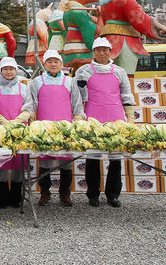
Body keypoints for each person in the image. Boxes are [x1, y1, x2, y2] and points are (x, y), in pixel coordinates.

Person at [74, 37, 135, 208]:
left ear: (110, 51)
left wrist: (130, 118)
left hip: (116, 118)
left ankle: (113, 194)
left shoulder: (119, 72)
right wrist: (79, 116)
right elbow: (76, 95)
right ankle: (93, 194)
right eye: (98, 50)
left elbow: (127, 95)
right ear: (93, 52)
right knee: (93, 158)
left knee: (115, 158)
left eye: (105, 50)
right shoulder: (84, 71)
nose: (102, 53)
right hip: (93, 118)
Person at [21, 49, 85, 207]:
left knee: (66, 162)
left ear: (61, 64)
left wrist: (78, 120)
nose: (53, 64)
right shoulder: (37, 82)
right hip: (44, 127)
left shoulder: (70, 82)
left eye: (56, 61)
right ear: (45, 64)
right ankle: (45, 192)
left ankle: (65, 193)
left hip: (65, 128)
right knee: (44, 162)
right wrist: (28, 119)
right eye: (49, 62)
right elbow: (31, 103)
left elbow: (77, 103)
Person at [0, 56, 28, 209]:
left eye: (11, 69)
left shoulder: (24, 88)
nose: (8, 72)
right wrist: (3, 121)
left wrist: (16, 122)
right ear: (1, 71)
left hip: (19, 132)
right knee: (0, 166)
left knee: (18, 165)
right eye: (5, 69)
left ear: (16, 70)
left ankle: (15, 198)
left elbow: (29, 107)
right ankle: (2, 198)